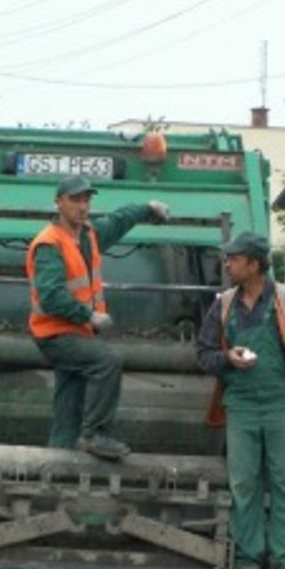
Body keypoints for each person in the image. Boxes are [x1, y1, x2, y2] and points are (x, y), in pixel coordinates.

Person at [196, 231, 285, 569]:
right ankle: (248, 561)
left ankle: (284, 558)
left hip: (280, 404)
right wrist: (227, 358)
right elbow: (204, 355)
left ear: (254, 265)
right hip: (240, 406)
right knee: (244, 482)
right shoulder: (223, 304)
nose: (227, 264)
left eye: (234, 259)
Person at [26, 175, 168, 460]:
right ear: (58, 202)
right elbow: (52, 296)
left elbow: (117, 220)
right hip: (55, 334)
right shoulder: (50, 244)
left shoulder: (87, 235)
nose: (82, 206)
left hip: (78, 333)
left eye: (86, 199)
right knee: (107, 361)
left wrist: (146, 208)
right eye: (75, 199)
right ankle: (95, 435)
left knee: (70, 401)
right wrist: (88, 315)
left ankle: (58, 461)